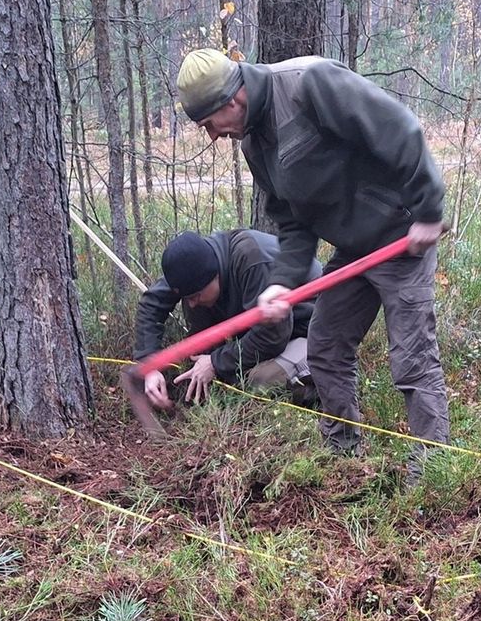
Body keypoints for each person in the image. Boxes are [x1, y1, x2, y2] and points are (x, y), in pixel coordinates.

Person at [174, 48, 450, 474]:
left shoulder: (311, 83)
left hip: (401, 237)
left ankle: (432, 470)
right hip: (354, 250)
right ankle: (342, 454)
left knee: (412, 356)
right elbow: (292, 221)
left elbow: (400, 130)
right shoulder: (254, 143)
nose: (213, 135)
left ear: (232, 101)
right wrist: (281, 281)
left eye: (209, 124)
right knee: (325, 345)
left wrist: (428, 211)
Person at [132, 227, 321, 411]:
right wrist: (150, 365)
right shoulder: (192, 265)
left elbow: (273, 336)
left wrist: (215, 362)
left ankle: (319, 379)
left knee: (257, 381)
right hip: (269, 330)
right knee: (205, 363)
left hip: (309, 330)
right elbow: (152, 304)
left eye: (195, 295)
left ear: (215, 275)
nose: (191, 304)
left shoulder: (252, 260)